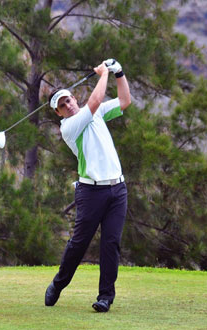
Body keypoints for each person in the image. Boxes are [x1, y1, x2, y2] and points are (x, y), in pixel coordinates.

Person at [45, 59, 131, 312]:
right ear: (58, 114)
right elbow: (94, 102)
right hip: (90, 192)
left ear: (74, 98)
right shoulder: (69, 126)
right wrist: (104, 73)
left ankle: (105, 297)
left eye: (69, 100)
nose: (68, 105)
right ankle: (58, 284)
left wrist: (119, 73)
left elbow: (125, 101)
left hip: (117, 190)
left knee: (111, 243)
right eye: (62, 105)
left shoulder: (96, 113)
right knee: (79, 243)